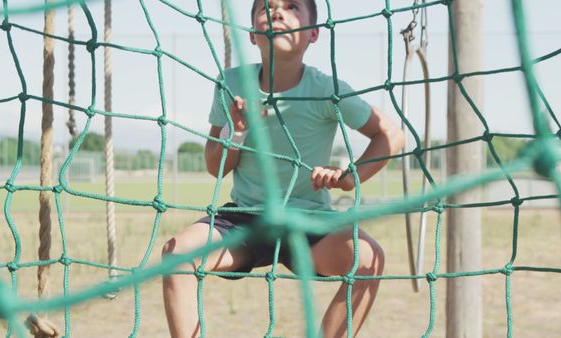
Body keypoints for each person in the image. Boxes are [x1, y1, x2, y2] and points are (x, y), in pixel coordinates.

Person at [162, 0, 405, 337]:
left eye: (292, 7)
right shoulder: (232, 82)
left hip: (311, 222)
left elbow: (390, 135)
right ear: (251, 35)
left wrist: (349, 178)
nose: (276, 12)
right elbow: (215, 166)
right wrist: (239, 130)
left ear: (314, 34)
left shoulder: (326, 90)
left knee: (369, 260)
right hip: (246, 218)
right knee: (177, 254)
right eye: (266, 7)